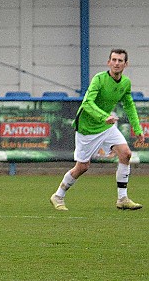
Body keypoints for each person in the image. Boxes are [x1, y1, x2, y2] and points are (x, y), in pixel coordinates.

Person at [50, 49, 145, 211]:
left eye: (120, 60)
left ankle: (122, 198)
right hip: (87, 127)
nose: (116, 63)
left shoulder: (125, 83)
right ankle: (58, 195)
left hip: (106, 125)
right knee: (82, 167)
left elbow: (129, 105)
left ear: (125, 64)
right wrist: (103, 117)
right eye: (113, 60)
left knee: (126, 153)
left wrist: (137, 128)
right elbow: (87, 103)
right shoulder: (99, 79)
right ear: (108, 62)